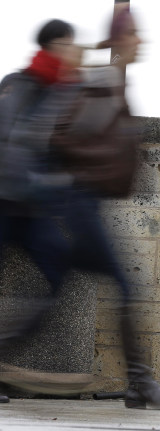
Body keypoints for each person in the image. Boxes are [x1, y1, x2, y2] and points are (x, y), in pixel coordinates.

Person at [51, 4, 160, 410]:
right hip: (80, 202)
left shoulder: (110, 84)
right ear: (121, 39)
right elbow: (65, 139)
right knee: (125, 288)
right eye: (134, 33)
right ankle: (139, 384)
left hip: (85, 203)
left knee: (52, 291)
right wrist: (99, 169)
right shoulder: (103, 83)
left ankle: (138, 385)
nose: (140, 40)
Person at [0, 18, 82, 404]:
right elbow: (11, 146)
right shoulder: (18, 86)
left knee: (58, 268)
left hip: (32, 211)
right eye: (68, 44)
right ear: (54, 45)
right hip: (5, 200)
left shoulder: (63, 92)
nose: (73, 50)